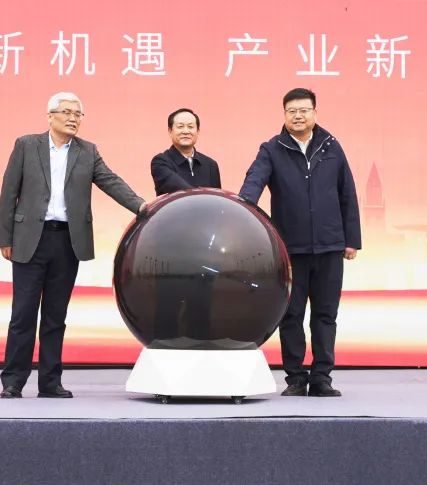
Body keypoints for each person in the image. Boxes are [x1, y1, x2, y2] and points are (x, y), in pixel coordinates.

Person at [0, 92, 146, 399]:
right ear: (50, 116)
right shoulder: (26, 145)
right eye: (66, 112)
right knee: (23, 314)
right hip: (30, 240)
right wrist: (5, 238)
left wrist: (141, 206)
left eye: (78, 114)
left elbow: (111, 181)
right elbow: (9, 192)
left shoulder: (87, 151)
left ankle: (50, 382)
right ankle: (13, 381)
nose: (72, 118)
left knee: (55, 316)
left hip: (66, 241)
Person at [239, 88, 361, 397]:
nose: (298, 116)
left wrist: (351, 240)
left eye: (304, 110)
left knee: (325, 314)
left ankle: (321, 378)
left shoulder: (331, 146)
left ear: (314, 113)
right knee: (291, 315)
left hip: (329, 245)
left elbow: (347, 193)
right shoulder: (272, 149)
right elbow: (254, 182)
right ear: (284, 115)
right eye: (292, 111)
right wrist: (242, 209)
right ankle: (295, 378)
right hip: (290, 249)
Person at [150, 108, 221, 196]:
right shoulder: (160, 162)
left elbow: (217, 199)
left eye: (190, 127)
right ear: (170, 131)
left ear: (198, 132)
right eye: (180, 127)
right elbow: (178, 188)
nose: (186, 131)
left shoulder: (211, 165)